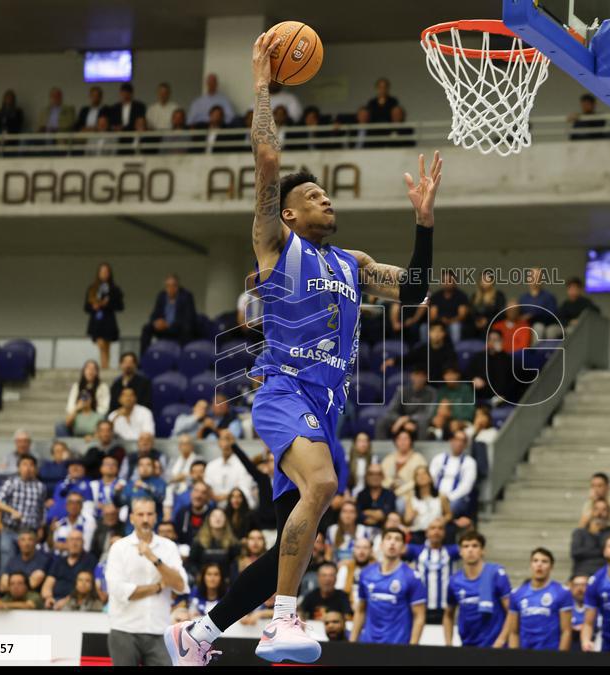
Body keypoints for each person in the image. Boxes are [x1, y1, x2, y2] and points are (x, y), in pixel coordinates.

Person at [167, 31, 441, 666]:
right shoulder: (276, 245)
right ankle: (280, 624)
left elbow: (418, 291)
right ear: (286, 215)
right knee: (320, 488)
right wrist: (263, 89)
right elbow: (267, 162)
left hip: (325, 408)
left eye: (326, 193)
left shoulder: (353, 262)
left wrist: (424, 224)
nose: (325, 198)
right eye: (312, 196)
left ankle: (197, 636)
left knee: (294, 543)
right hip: (283, 391)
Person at [104, 496, 187, 666]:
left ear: (156, 517)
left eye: (149, 514)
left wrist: (153, 558)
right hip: (124, 629)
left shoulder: (168, 547)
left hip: (159, 629)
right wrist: (158, 587)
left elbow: (180, 585)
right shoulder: (119, 547)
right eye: (140, 514)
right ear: (132, 518)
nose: (145, 519)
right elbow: (119, 591)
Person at [350, 527, 426, 644]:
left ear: (403, 547)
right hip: (368, 643)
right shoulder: (366, 574)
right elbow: (360, 611)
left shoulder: (412, 577)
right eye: (388, 538)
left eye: (397, 539)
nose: (392, 542)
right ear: (381, 545)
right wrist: (353, 641)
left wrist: (412, 648)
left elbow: (419, 616)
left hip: (398, 646)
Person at [443, 531, 511, 648]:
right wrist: (448, 643)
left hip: (495, 647)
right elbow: (448, 614)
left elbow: (511, 612)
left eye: (475, 546)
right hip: (468, 645)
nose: (470, 550)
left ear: (482, 551)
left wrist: (501, 640)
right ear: (460, 552)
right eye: (466, 546)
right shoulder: (454, 581)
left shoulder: (495, 573)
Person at [505, 548, 573, 651]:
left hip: (550, 655)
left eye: (544, 561)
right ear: (530, 565)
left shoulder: (562, 592)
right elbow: (513, 632)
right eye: (535, 561)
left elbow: (566, 631)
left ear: (551, 567)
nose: (539, 564)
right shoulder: (517, 594)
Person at [0, 454, 47, 572]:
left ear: (35, 469)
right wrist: (12, 511)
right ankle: (4, 586)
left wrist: (41, 527)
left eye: (31, 465)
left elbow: (41, 509)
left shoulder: (40, 487)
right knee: (7, 561)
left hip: (30, 532)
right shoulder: (11, 483)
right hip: (10, 530)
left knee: (30, 564)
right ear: (19, 468)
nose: (28, 468)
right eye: (24, 464)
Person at [403, 518, 458, 625]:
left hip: (445, 609)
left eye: (440, 528)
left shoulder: (451, 551)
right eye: (432, 528)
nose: (436, 531)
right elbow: (396, 549)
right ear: (426, 532)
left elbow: (469, 547)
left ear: (444, 533)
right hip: (420, 607)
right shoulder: (417, 550)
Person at [140, 274, 198, 354]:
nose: (170, 289)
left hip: (178, 328)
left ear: (177, 287)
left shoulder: (186, 296)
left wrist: (169, 325)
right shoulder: (162, 296)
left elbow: (189, 317)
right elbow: (155, 313)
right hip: (163, 327)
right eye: (167, 286)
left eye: (173, 286)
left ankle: (183, 357)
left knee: (187, 328)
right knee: (146, 328)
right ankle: (144, 357)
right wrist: (156, 322)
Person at [84, 262, 124, 370]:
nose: (104, 274)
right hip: (97, 321)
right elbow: (86, 307)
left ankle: (105, 367)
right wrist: (94, 306)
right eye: (102, 272)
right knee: (100, 343)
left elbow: (120, 306)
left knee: (107, 345)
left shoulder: (114, 289)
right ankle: (104, 367)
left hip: (108, 320)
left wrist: (108, 304)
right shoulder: (92, 288)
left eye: (106, 272)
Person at [571, 499, 610, 578]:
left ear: (609, 513)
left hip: (605, 573)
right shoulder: (579, 532)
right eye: (596, 509)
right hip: (582, 573)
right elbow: (575, 553)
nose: (599, 513)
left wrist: (597, 533)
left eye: (604, 510)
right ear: (591, 512)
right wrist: (600, 551)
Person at [518, 268, 561, 340]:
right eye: (532, 277)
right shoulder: (523, 298)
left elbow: (551, 315)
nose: (534, 279)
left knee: (538, 327)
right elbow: (520, 315)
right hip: (526, 326)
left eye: (537, 277)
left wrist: (533, 316)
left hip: (545, 326)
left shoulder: (548, 297)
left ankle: (536, 351)